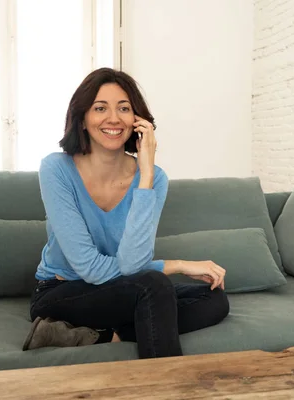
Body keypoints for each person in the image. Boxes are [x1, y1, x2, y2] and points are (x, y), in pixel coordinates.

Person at [23, 67, 230, 359]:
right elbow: (92, 269)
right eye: (100, 108)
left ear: (138, 120)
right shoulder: (57, 169)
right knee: (153, 286)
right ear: (82, 118)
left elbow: (134, 263)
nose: (113, 118)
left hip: (122, 290)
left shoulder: (154, 178)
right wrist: (177, 264)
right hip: (61, 292)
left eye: (124, 108)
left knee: (214, 300)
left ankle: (104, 337)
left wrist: (145, 176)